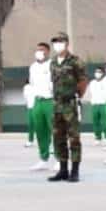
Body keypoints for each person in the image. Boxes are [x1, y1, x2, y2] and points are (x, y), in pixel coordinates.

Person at [47, 32, 88, 183]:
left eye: (60, 41)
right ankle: (63, 170)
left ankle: (75, 171)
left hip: (70, 104)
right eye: (55, 41)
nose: (57, 44)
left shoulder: (75, 61)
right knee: (58, 138)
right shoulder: (52, 62)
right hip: (56, 104)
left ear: (67, 43)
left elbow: (83, 81)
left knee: (74, 138)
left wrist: (77, 96)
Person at [28, 43, 56, 171]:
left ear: (48, 52)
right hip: (37, 101)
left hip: (50, 101)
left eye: (42, 50)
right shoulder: (33, 67)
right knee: (40, 131)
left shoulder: (53, 65)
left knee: (55, 130)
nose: (39, 52)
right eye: (37, 49)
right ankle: (43, 159)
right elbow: (32, 84)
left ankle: (59, 159)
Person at [86, 68, 106, 147]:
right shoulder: (92, 83)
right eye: (96, 72)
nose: (97, 73)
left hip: (103, 104)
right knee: (96, 122)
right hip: (95, 104)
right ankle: (97, 138)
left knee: (105, 122)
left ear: (103, 73)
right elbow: (90, 93)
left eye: (99, 72)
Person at [22, 81, 35, 148]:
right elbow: (25, 97)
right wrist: (26, 103)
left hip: (38, 106)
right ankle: (30, 140)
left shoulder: (40, 84)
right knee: (31, 125)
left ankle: (48, 142)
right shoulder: (26, 87)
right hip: (30, 107)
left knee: (42, 125)